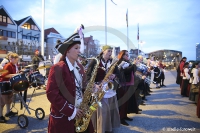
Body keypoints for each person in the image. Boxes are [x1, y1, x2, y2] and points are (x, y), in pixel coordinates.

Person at [46, 33, 94, 133]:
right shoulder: (57, 68)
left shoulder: (80, 67)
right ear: (67, 50)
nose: (79, 51)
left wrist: (92, 88)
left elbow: (83, 86)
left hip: (81, 112)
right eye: (76, 48)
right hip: (64, 117)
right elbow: (52, 94)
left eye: (79, 48)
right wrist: (71, 110)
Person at [86, 45, 120, 133]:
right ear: (103, 51)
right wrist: (94, 85)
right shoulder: (95, 61)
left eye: (111, 51)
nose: (110, 53)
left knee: (111, 109)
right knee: (102, 110)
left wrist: (114, 75)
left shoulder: (112, 62)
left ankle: (109, 127)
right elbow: (88, 75)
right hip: (98, 88)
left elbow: (118, 74)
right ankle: (100, 128)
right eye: (108, 51)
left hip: (109, 89)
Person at [117, 50, 137, 126]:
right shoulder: (121, 62)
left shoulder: (127, 62)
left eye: (128, 55)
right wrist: (134, 65)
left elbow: (133, 70)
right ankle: (121, 118)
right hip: (123, 84)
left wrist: (134, 65)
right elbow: (126, 71)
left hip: (129, 83)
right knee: (123, 102)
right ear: (122, 55)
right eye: (126, 55)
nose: (127, 56)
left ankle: (125, 116)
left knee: (127, 101)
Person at [0, 53, 19, 123]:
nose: (16, 61)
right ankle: (0, 116)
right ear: (12, 59)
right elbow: (4, 76)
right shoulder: (8, 65)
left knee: (9, 99)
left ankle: (8, 112)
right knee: (2, 102)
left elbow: (13, 75)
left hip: (9, 84)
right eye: (16, 60)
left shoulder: (14, 65)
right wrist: (15, 74)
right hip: (4, 84)